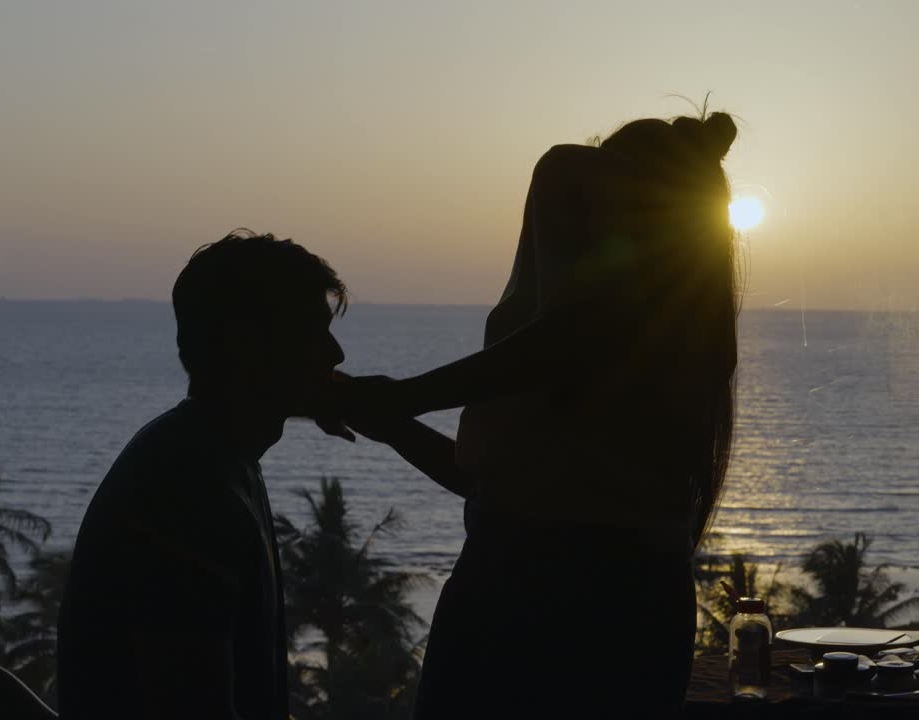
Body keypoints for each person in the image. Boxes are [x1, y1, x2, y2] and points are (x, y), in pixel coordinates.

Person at [334, 112, 740, 717]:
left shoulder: (593, 326)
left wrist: (402, 397)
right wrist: (391, 421)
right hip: (612, 607)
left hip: (527, 606)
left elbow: (570, 340)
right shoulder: (672, 348)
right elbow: (501, 487)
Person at [57, 231, 348, 719]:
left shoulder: (209, 456)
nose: (336, 355)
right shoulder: (190, 493)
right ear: (252, 345)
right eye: (315, 332)